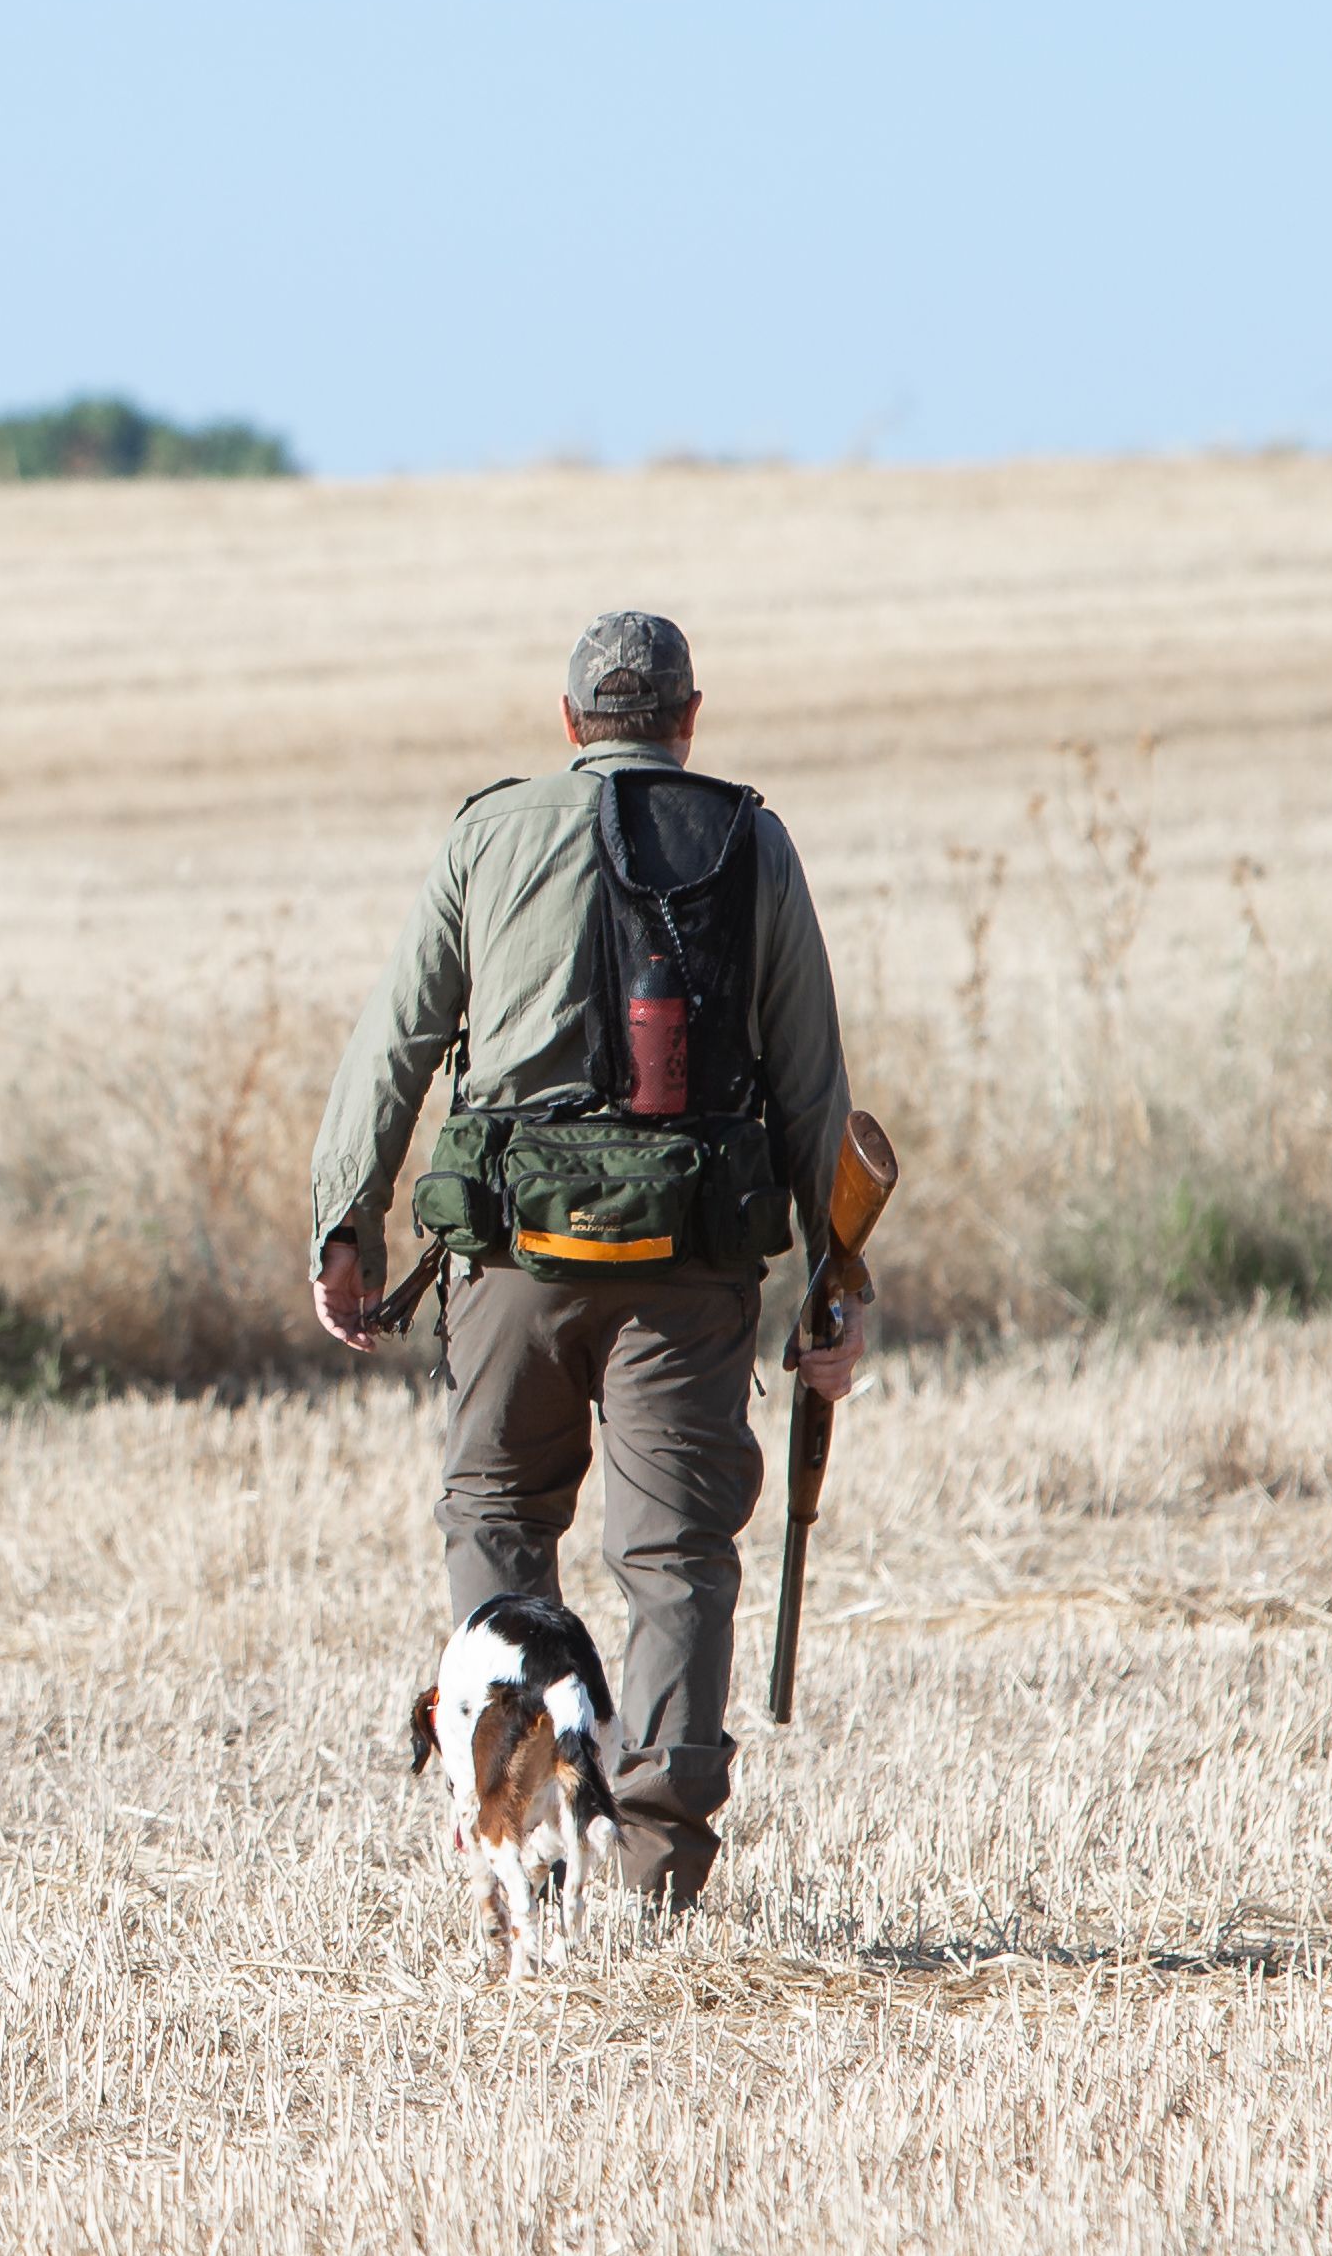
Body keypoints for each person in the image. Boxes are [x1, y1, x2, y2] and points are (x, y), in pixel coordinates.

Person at [305, 610, 863, 1905]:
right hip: (688, 1265)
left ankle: (515, 1835)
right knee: (673, 1557)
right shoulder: (748, 839)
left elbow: (390, 1044)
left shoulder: (486, 833)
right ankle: (656, 1874)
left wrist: (345, 1221)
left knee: (495, 1517)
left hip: (507, 1262)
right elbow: (811, 1084)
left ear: (567, 727)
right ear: (688, 718)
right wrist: (836, 1281)